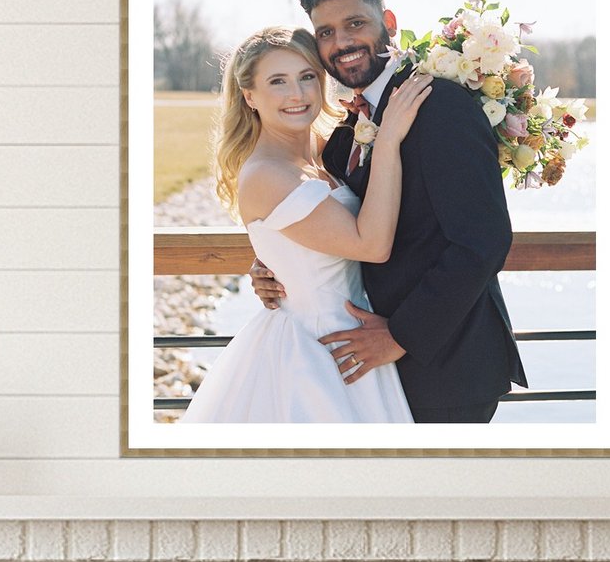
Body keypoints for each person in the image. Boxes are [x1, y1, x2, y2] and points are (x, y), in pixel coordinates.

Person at [252, 0, 529, 424]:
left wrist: (401, 336)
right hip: (374, 371)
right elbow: (332, 220)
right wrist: (279, 262)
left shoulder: (439, 105)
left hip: (445, 370)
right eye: (326, 32)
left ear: (389, 24)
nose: (342, 42)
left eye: (355, 23)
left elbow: (483, 242)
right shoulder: (349, 126)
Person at [179, 27, 433, 425]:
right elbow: (371, 245)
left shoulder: (323, 148)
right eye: (277, 82)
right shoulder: (266, 174)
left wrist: (273, 263)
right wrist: (388, 140)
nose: (297, 94)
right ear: (249, 96)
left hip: (357, 342)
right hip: (313, 352)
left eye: (307, 76)